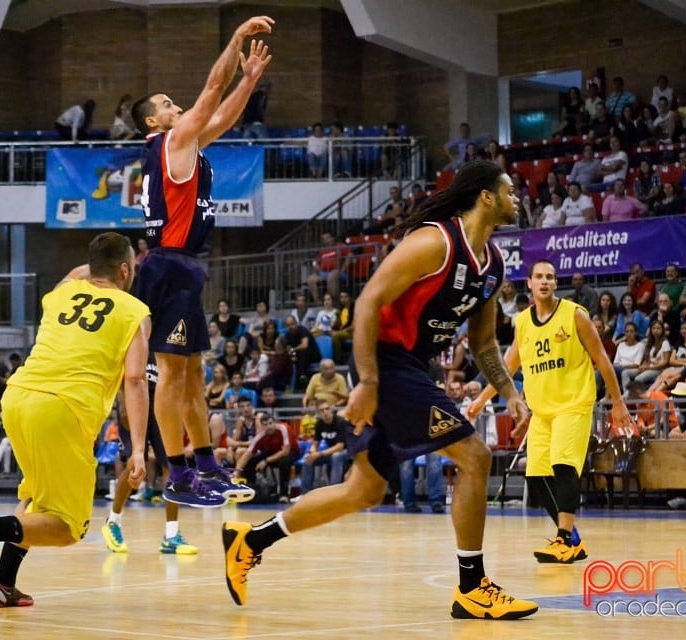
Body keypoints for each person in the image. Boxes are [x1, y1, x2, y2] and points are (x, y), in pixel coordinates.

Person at [221, 160, 539, 619]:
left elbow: (485, 344)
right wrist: (368, 381)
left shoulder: (492, 265)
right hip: (384, 363)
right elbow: (368, 299)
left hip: (408, 367)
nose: (517, 198)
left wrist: (509, 392)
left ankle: (250, 541)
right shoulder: (434, 242)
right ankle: (472, 588)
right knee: (475, 456)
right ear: (486, 196)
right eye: (509, 190)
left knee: (364, 490)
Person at [0, 232, 151, 607]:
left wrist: (97, 265)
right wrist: (138, 448)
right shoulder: (134, 312)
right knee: (68, 527)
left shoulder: (60, 293)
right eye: (133, 268)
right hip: (62, 408)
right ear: (125, 270)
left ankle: (1, 583)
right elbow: (136, 381)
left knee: (34, 496)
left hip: (17, 397)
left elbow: (79, 272)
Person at [129, 15, 273, 507]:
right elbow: (212, 91)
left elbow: (223, 117)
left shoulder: (183, 144)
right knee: (173, 376)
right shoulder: (171, 142)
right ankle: (177, 474)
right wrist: (235, 43)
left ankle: (207, 468)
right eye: (167, 104)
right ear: (154, 121)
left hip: (181, 266)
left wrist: (250, 81)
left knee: (191, 374)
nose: (177, 105)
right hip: (168, 265)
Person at [468, 260, 632, 564]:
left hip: (573, 404)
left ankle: (564, 539)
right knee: (536, 475)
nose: (545, 281)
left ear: (556, 284)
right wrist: (480, 402)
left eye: (550, 277)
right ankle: (571, 538)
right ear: (529, 283)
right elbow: (508, 367)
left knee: (563, 466)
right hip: (542, 411)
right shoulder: (522, 322)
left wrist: (618, 402)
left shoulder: (575, 315)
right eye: (539, 276)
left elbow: (602, 360)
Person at [102, 354, 197, 556]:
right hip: (134, 398)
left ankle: (171, 535)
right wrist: (123, 403)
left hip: (162, 402)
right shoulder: (135, 330)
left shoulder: (167, 337)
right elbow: (122, 374)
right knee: (134, 465)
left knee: (172, 467)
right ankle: (113, 521)